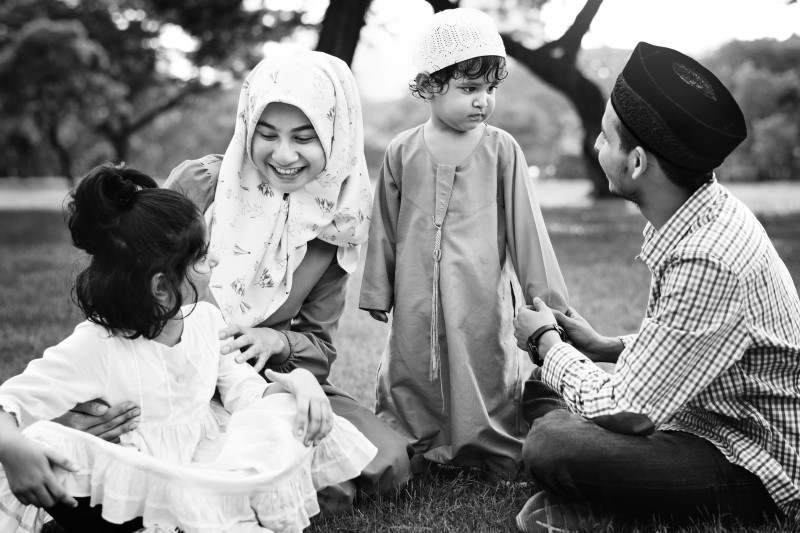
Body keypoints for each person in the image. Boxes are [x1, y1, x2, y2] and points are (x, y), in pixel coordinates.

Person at [513, 42, 800, 532]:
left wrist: (545, 342)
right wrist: (603, 347)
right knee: (543, 392)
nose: (596, 148)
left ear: (638, 162)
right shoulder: (694, 213)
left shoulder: (709, 256)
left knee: (553, 445)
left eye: (603, 138)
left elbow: (629, 408)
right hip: (697, 413)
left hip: (748, 461)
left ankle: (612, 509)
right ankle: (601, 495)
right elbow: (684, 346)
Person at [0, 164, 377, 533]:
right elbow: (8, 405)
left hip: (202, 466)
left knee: (283, 409)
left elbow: (247, 394)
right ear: (162, 287)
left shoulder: (206, 322)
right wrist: (13, 449)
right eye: (201, 257)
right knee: (42, 440)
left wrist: (299, 383)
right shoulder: (95, 345)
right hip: (134, 484)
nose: (213, 259)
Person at [161, 51, 413, 512]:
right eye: (267, 134)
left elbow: (318, 346)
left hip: (271, 381)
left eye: (304, 137)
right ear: (247, 127)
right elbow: (135, 284)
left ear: (336, 138)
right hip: (174, 373)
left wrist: (274, 341)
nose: (283, 155)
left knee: (385, 462)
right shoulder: (199, 185)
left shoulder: (336, 220)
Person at [359, 7, 569, 478]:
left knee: (484, 367)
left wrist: (547, 300)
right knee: (413, 366)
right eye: (470, 89)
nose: (483, 101)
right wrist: (377, 290)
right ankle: (418, 442)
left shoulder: (501, 148)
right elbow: (384, 226)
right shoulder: (401, 150)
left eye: (490, 89)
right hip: (415, 294)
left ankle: (486, 447)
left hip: (480, 294)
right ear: (430, 85)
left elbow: (526, 227)